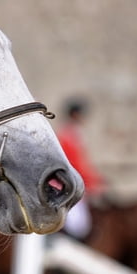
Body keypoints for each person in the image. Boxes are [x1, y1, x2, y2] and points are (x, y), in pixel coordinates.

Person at [56, 98, 105, 240]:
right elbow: (74, 165)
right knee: (78, 224)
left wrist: (96, 179)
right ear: (75, 115)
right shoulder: (68, 135)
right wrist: (92, 181)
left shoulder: (75, 134)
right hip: (70, 186)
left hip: (80, 182)